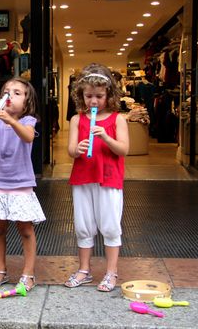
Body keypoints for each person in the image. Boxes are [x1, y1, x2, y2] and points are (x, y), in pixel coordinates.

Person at [0, 77, 46, 292]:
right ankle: (0, 271)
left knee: (25, 229)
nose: (9, 96)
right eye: (6, 92)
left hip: (21, 184)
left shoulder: (27, 121)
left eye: (17, 93)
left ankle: (28, 274)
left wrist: (9, 120)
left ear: (27, 101)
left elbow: (27, 138)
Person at [64, 63, 129, 292]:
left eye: (99, 96)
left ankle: (111, 272)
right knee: (83, 225)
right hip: (83, 177)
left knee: (110, 225)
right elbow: (71, 151)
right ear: (80, 95)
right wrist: (78, 149)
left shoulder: (117, 119)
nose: (94, 101)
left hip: (109, 179)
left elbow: (123, 149)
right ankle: (84, 270)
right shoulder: (76, 119)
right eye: (89, 95)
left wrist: (106, 137)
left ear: (109, 95)